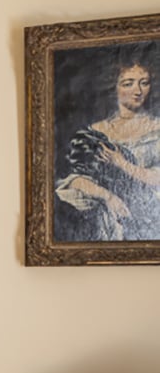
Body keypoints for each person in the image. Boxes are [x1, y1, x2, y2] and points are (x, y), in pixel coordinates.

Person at [55, 50, 160, 241]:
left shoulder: (157, 130)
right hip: (102, 222)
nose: (138, 91)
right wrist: (108, 197)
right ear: (114, 87)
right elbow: (76, 178)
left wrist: (121, 163)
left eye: (144, 82)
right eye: (128, 83)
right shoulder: (96, 130)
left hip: (146, 217)